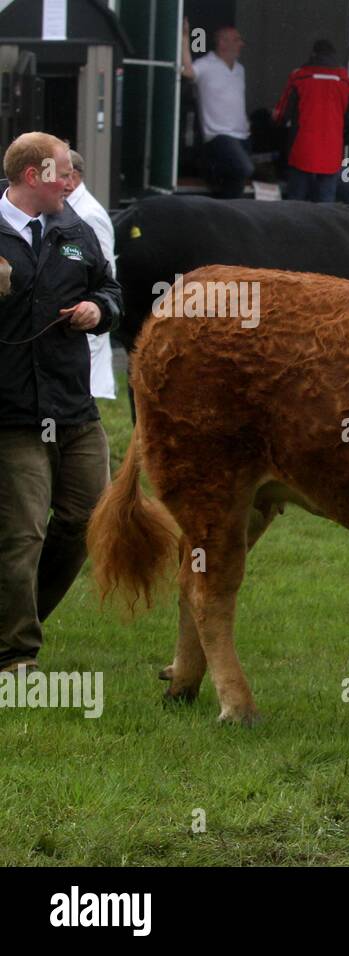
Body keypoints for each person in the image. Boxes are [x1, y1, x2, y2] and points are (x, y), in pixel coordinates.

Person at [0, 132, 123, 674]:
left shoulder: (75, 229)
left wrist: (100, 309)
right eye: (61, 174)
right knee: (23, 533)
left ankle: (18, 621)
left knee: (87, 522)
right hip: (14, 415)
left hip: (75, 411)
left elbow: (112, 289)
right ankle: (16, 655)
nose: (70, 182)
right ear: (33, 176)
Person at [274, 39, 349, 204]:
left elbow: (281, 114)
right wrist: (343, 137)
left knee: (295, 204)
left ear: (313, 54)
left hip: (302, 150)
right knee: (325, 207)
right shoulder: (345, 82)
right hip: (331, 154)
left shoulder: (299, 78)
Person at [64, 148, 116, 401]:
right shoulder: (66, 210)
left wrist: (92, 310)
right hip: (72, 329)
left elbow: (106, 274)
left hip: (86, 328)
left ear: (72, 178)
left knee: (85, 404)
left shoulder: (89, 215)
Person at [181, 21, 253, 199]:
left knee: (233, 182)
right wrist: (184, 39)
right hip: (219, 136)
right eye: (236, 40)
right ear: (222, 43)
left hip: (242, 135)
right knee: (244, 168)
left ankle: (227, 213)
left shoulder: (240, 69)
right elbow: (188, 71)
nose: (241, 44)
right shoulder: (206, 65)